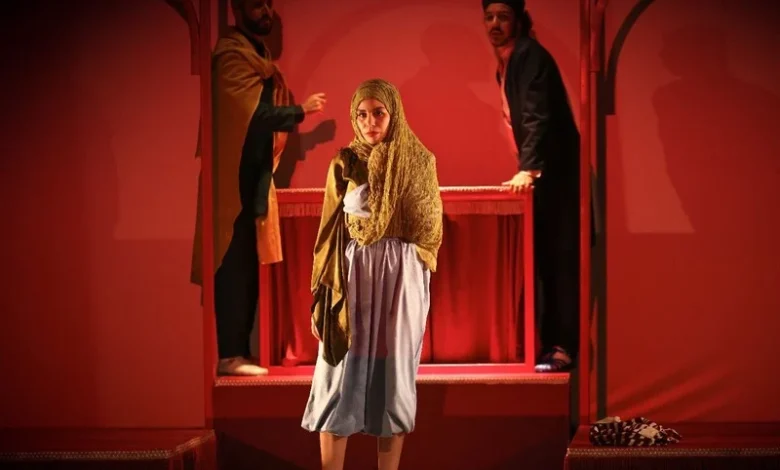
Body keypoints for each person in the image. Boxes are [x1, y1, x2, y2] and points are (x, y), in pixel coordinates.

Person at [301, 79, 443, 470]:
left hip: (401, 276)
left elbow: (429, 228)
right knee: (339, 373)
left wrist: (409, 267)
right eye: (362, 115)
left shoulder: (418, 160)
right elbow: (328, 233)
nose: (370, 122)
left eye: (378, 113)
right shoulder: (345, 162)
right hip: (353, 276)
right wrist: (321, 295)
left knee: (392, 377)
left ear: (393, 114)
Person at [190, 0, 327, 376]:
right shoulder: (231, 57)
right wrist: (301, 110)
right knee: (232, 262)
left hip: (252, 175)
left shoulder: (258, 57)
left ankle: (238, 352)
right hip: (231, 177)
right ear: (237, 10)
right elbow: (252, 116)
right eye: (256, 5)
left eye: (268, 5)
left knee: (247, 263)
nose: (265, 12)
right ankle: (230, 354)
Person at [483, 0, 581, 372]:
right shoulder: (510, 62)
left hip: (556, 176)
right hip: (545, 176)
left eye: (503, 17)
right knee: (544, 261)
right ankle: (548, 344)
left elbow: (537, 115)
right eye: (489, 17)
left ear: (519, 21)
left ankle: (563, 346)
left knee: (559, 259)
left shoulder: (529, 56)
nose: (494, 24)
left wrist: (530, 169)